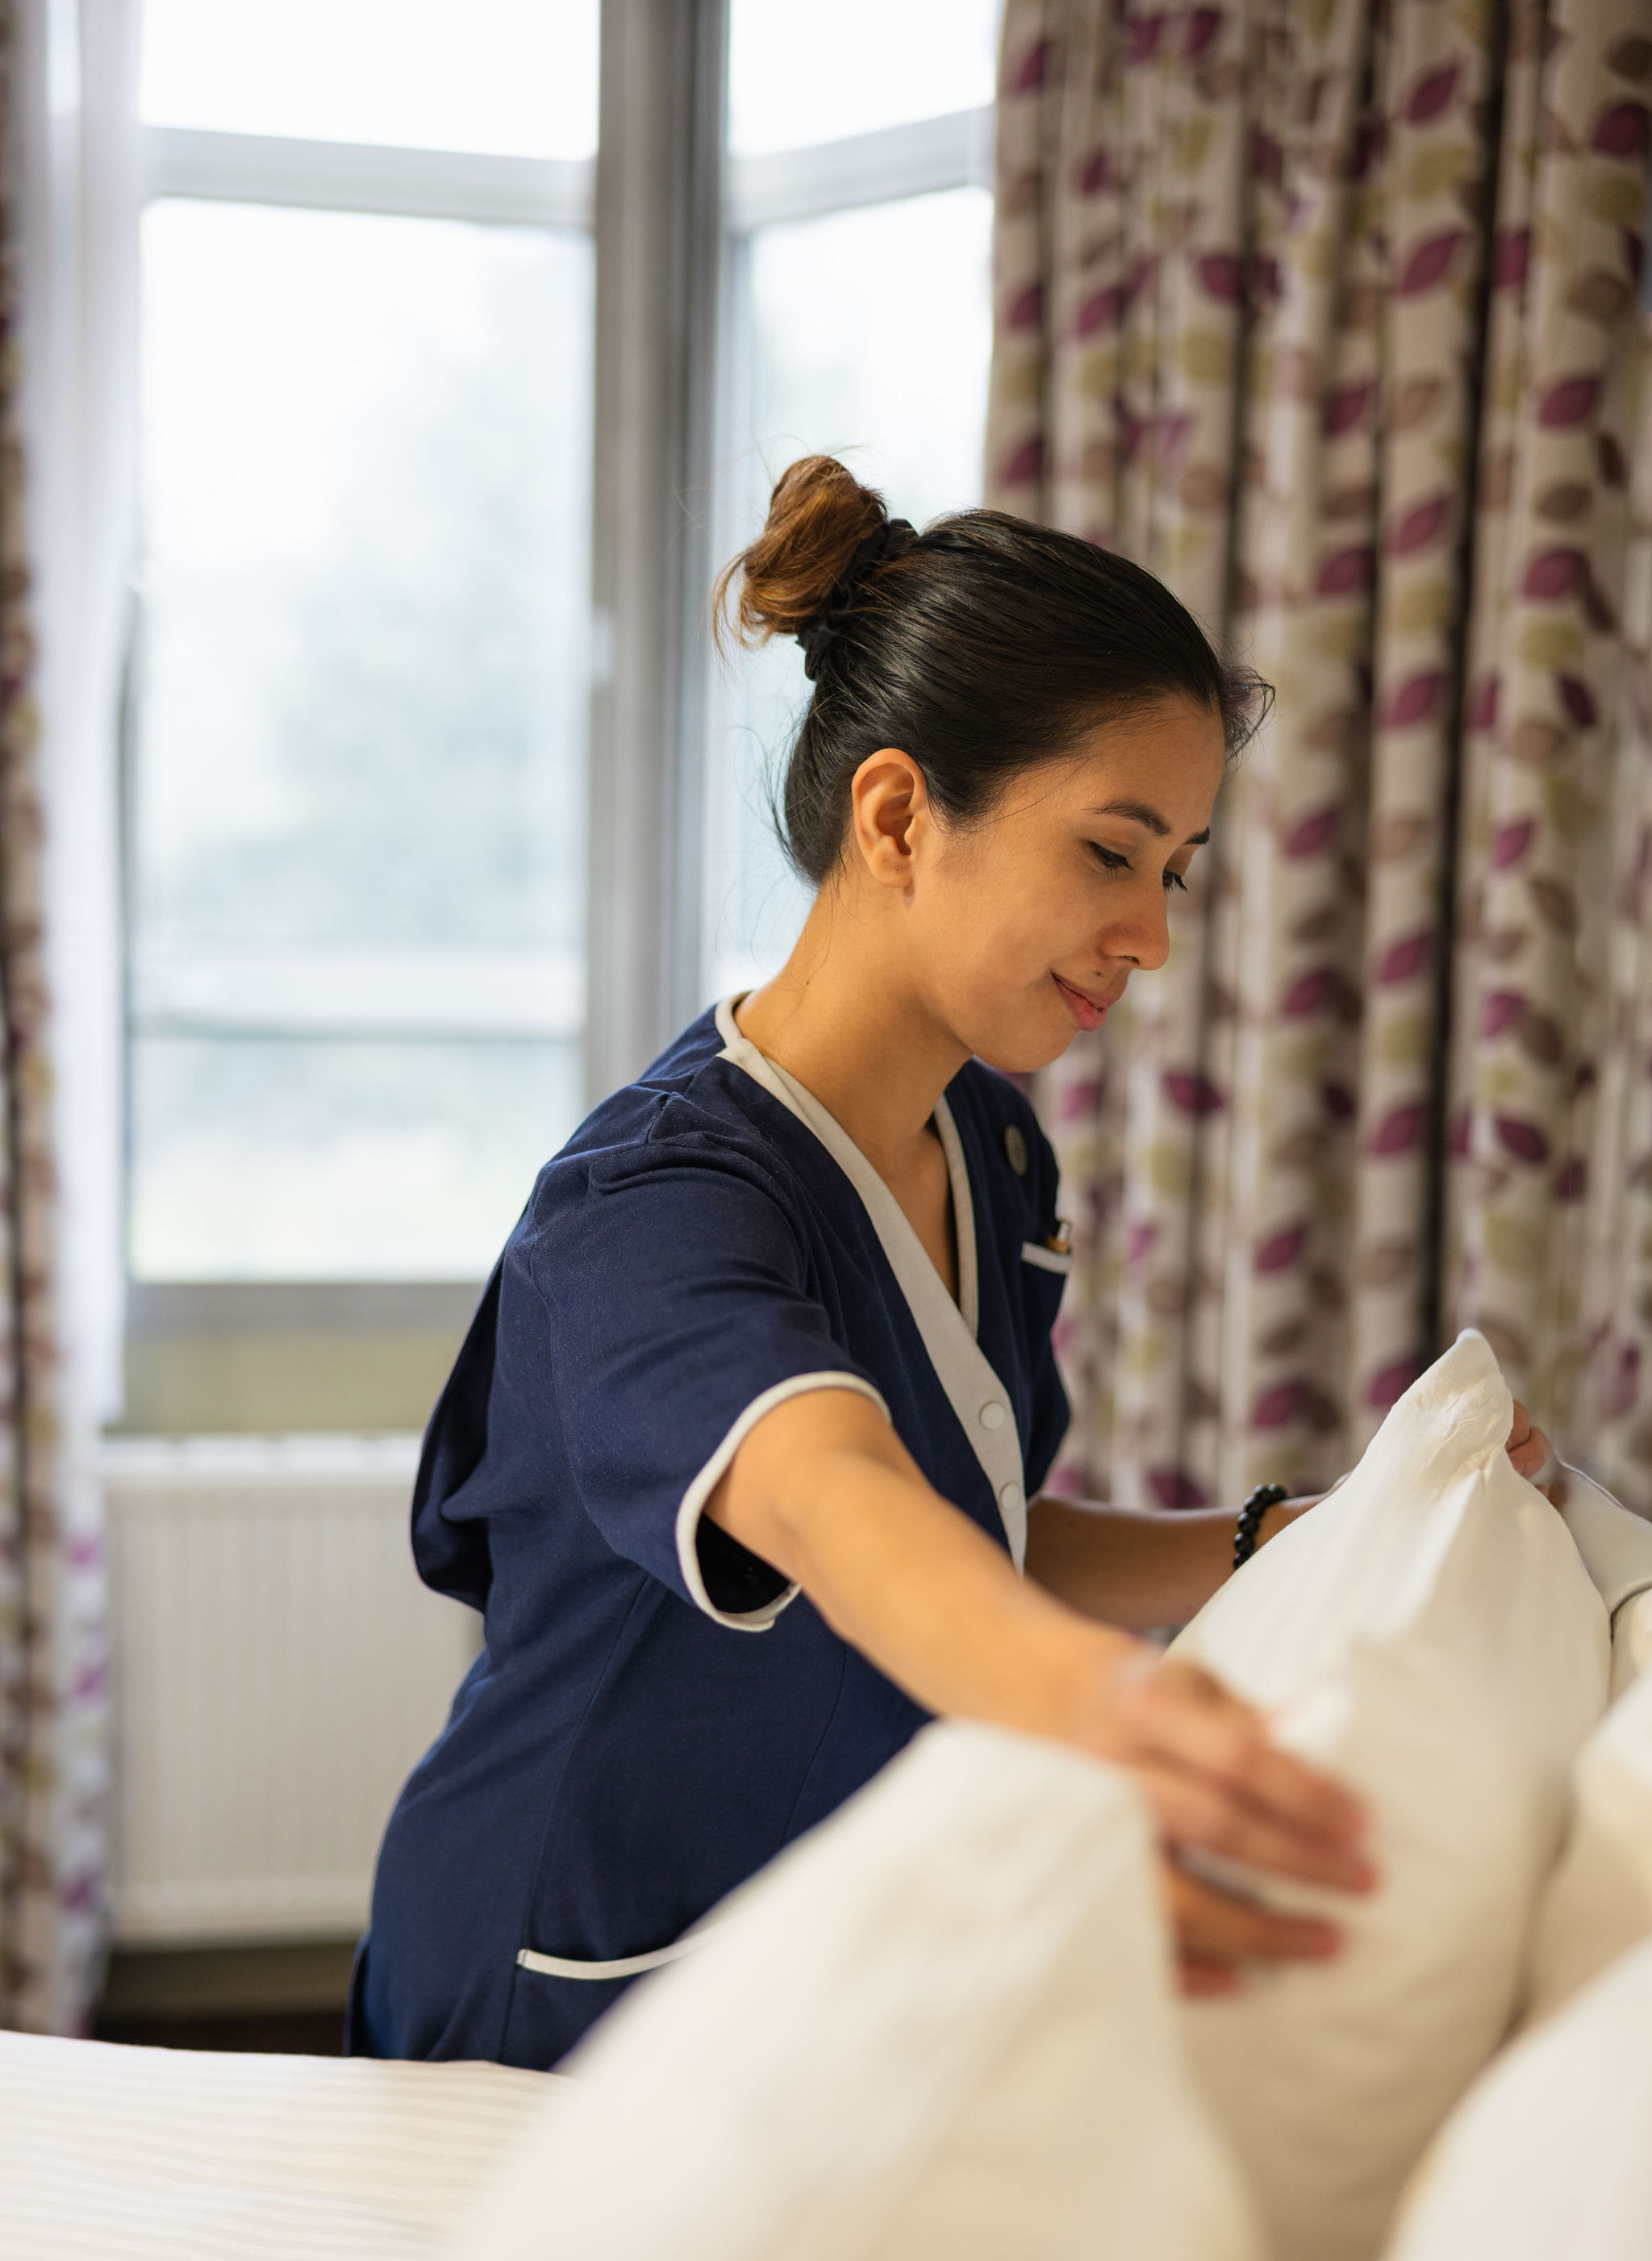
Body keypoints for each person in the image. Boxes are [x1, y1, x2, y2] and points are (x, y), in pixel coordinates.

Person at [350, 456, 1552, 2071]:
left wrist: (1269, 1541)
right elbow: (837, 1507)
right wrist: (1109, 1719)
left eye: (1177, 870)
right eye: (1112, 853)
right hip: (551, 1978)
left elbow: (968, 1533)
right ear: (900, 816)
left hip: (787, 1964)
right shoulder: (652, 1211)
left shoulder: (990, 1149)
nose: (1156, 937)